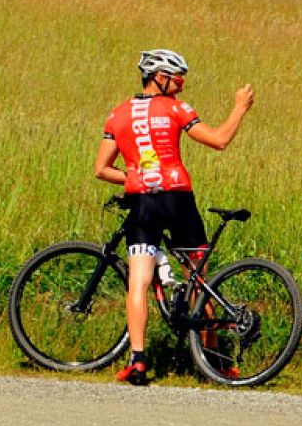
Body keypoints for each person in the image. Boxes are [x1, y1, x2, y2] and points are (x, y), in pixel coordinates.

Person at [94, 49, 255, 385]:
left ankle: (137, 362)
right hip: (178, 198)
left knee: (138, 279)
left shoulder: (117, 114)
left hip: (142, 201)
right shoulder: (175, 109)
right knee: (198, 277)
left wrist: (137, 176)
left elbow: (101, 169)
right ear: (160, 77)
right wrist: (240, 107)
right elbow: (219, 141)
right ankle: (213, 364)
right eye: (178, 78)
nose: (181, 85)